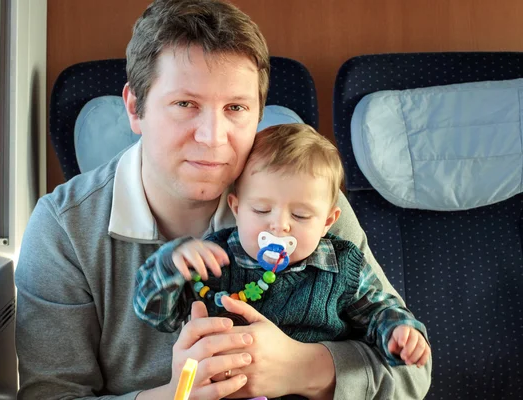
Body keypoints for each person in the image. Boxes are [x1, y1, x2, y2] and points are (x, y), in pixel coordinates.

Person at [14, 0, 432, 399]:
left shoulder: (301, 204)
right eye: (184, 104)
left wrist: (301, 368)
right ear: (135, 107)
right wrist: (175, 395)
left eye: (235, 107)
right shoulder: (63, 229)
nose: (212, 138)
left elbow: (414, 375)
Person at [134, 124, 431, 376]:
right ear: (236, 208)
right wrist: (170, 265)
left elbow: (379, 312)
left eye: (301, 216)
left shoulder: (343, 266)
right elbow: (159, 316)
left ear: (328, 221)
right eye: (262, 210)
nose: (279, 226)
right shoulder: (213, 259)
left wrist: (398, 333)